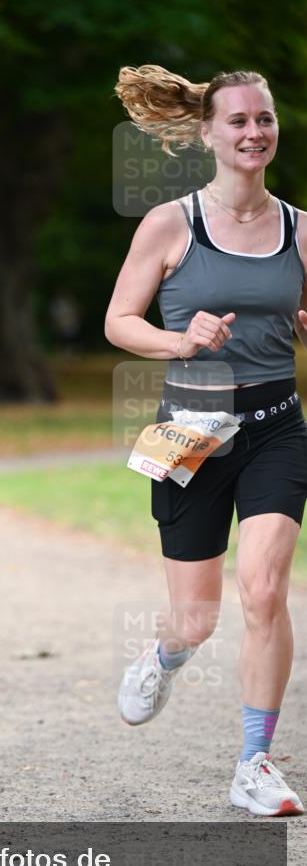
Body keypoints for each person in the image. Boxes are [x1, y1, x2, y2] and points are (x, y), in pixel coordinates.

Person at [106, 65, 307, 816]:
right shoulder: (169, 224)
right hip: (188, 432)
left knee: (263, 590)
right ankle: (164, 656)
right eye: (237, 121)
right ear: (207, 134)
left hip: (275, 428)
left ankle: (254, 762)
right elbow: (117, 321)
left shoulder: (299, 228)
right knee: (197, 616)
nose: (253, 132)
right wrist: (176, 340)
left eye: (264, 119)